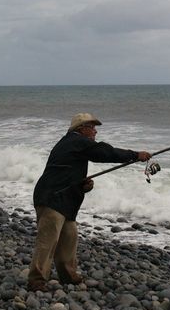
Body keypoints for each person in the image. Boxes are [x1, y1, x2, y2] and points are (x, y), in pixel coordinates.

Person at [27, 112, 151, 291]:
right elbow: (105, 152)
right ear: (81, 129)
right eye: (92, 128)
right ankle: (36, 280)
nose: (95, 132)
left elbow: (65, 171)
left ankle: (68, 277)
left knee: (69, 237)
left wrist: (83, 185)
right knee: (48, 240)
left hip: (63, 200)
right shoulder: (76, 140)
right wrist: (135, 155)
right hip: (52, 197)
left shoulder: (71, 143)